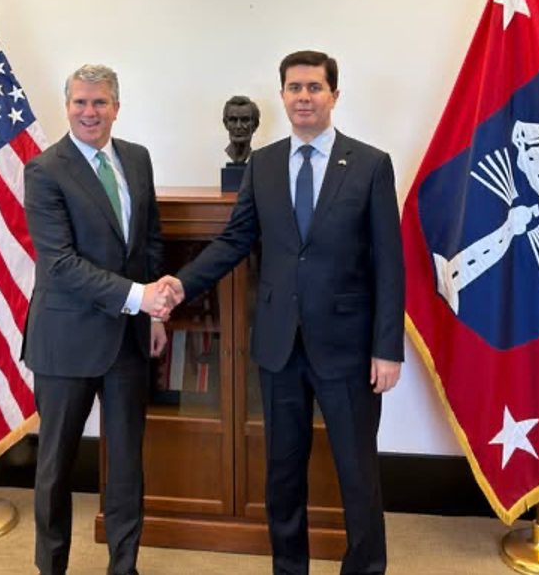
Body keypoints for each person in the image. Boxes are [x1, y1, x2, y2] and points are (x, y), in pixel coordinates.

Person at [161, 50, 405, 575]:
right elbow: (235, 241)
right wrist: (179, 284)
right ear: (282, 96)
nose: (304, 97)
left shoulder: (370, 165)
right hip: (278, 347)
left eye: (314, 87)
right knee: (282, 473)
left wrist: (388, 349)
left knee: (358, 474)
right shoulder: (264, 164)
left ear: (334, 95)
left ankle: (365, 567)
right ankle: (289, 568)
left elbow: (390, 263)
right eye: (295, 88)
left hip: (348, 347)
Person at [22, 64, 171, 575]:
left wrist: (153, 315)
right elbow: (60, 264)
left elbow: (149, 242)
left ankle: (124, 567)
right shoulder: (44, 169)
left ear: (116, 107)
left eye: (100, 102)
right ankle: (51, 567)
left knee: (127, 466)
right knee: (56, 466)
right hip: (65, 339)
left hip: (129, 339)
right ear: (67, 107)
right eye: (80, 102)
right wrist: (139, 298)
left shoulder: (137, 158)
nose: (90, 112)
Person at [223, 95, 260, 164]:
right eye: (233, 120)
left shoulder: (261, 161)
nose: (238, 126)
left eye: (245, 120)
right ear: (225, 123)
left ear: (255, 125)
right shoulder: (213, 159)